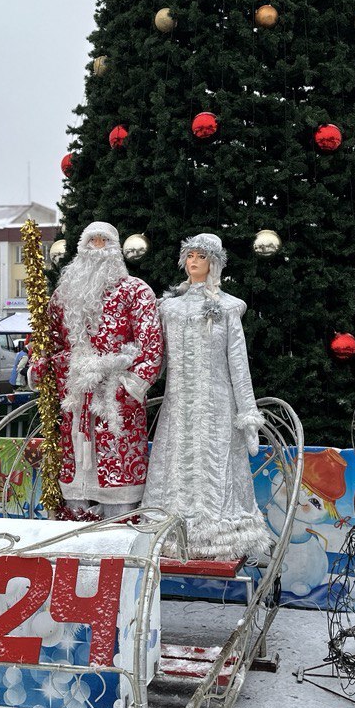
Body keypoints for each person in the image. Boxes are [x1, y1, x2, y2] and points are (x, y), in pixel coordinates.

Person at [144, 233, 271, 560]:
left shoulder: (227, 309)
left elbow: (239, 365)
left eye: (201, 256)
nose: (194, 261)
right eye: (190, 255)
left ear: (213, 262)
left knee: (216, 470)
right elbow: (156, 361)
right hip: (179, 408)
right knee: (178, 467)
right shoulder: (169, 309)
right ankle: (173, 537)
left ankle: (219, 541)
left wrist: (248, 415)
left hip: (217, 409)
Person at [30, 222, 164, 522]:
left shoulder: (136, 291)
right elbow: (47, 340)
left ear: (116, 248)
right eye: (92, 241)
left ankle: (121, 534)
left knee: (118, 472)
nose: (98, 248)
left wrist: (129, 387)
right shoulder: (64, 295)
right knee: (74, 477)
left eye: (105, 241)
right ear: (81, 248)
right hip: (74, 398)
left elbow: (151, 346)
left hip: (115, 400)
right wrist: (43, 368)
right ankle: (74, 534)